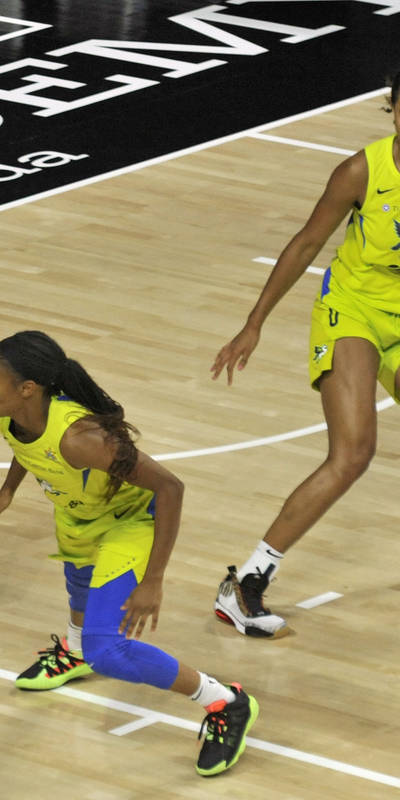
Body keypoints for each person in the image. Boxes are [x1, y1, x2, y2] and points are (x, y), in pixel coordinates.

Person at [0, 331, 258, 777]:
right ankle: (74, 650)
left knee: (108, 649)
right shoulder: (5, 414)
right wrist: (6, 491)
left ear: (27, 389)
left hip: (128, 522)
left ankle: (225, 701)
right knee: (80, 597)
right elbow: (25, 447)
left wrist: (154, 580)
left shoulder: (80, 438)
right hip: (77, 517)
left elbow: (170, 487)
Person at [209, 70, 400, 638]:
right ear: (393, 108)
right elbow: (307, 243)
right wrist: (254, 324)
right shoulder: (363, 170)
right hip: (354, 309)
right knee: (353, 452)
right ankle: (246, 584)